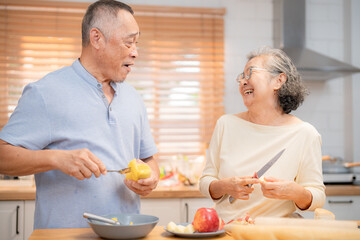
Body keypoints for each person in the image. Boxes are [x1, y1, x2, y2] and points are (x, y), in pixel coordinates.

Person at [0, 0, 159, 229]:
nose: (135, 52)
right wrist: (56, 159)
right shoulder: (46, 92)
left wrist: (151, 177)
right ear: (97, 39)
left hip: (127, 233)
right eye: (128, 42)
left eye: (136, 43)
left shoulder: (134, 97)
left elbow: (148, 158)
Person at [199, 46, 325, 223]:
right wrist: (225, 186)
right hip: (226, 230)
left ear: (278, 81)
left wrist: (295, 192)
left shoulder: (305, 134)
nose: (243, 81)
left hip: (275, 232)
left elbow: (318, 196)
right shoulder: (225, 124)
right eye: (241, 77)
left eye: (250, 73)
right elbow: (206, 181)